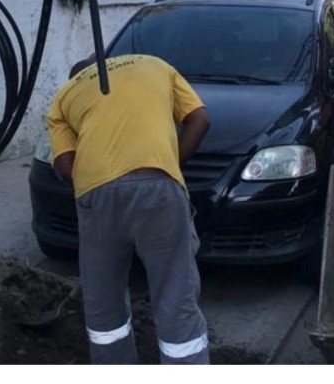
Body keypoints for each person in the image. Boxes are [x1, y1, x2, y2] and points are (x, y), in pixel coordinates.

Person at [46, 53, 212, 365]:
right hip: (158, 184)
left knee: (104, 300)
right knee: (175, 292)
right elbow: (200, 119)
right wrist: (168, 165)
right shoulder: (155, 65)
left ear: (78, 78)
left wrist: (98, 190)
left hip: (97, 192)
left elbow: (65, 165)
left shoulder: (64, 96)